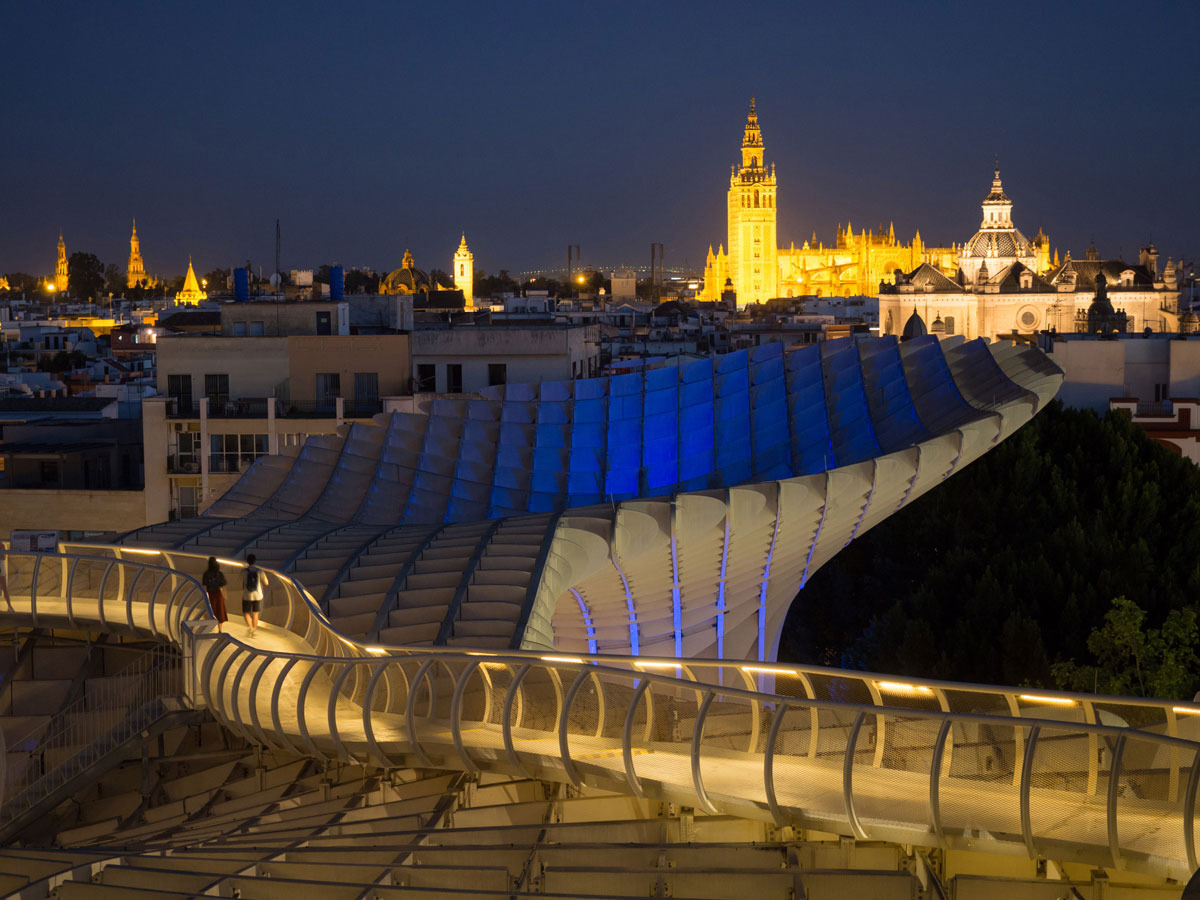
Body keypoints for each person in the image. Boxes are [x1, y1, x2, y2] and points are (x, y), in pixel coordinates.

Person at [201, 557, 228, 632]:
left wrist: (204, 595)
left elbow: (204, 586)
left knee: (209, 610)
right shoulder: (219, 573)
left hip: (210, 593)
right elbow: (223, 586)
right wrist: (225, 595)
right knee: (219, 612)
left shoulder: (206, 574)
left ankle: (206, 627)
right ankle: (220, 629)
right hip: (218, 594)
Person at [243, 553, 263, 637]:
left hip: (247, 595)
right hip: (258, 595)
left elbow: (240, 581)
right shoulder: (259, 571)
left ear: (247, 561)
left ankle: (250, 627)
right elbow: (266, 582)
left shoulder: (244, 571)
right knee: (255, 614)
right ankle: (254, 631)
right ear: (255, 561)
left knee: (246, 612)